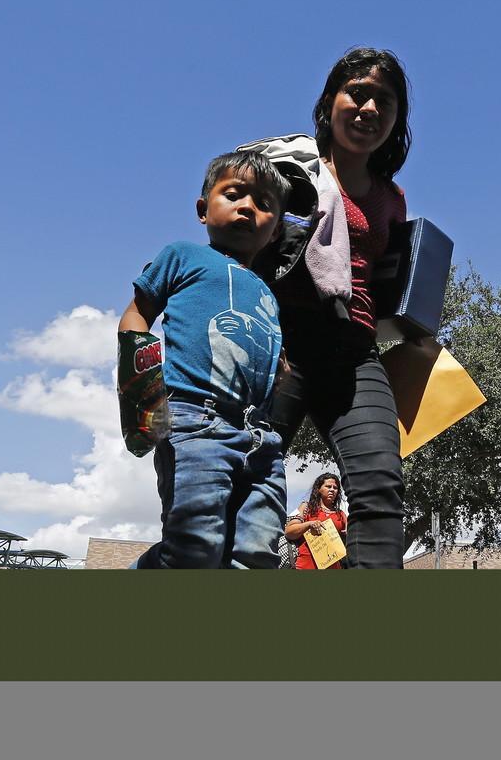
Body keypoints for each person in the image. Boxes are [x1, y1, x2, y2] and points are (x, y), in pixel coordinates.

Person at [248, 48, 412, 569]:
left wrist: (418, 326)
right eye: (356, 93)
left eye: (383, 101)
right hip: (283, 340)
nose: (368, 108)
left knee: (381, 484)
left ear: (397, 118)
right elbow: (239, 239)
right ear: (330, 102)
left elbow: (386, 288)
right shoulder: (291, 170)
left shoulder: (391, 198)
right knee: (248, 476)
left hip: (355, 351)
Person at [118, 151, 291, 568]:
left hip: (261, 437)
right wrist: (143, 392)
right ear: (202, 209)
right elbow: (137, 313)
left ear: (275, 232)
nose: (248, 207)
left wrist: (279, 368)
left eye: (265, 204)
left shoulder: (268, 292)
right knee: (194, 548)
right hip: (195, 422)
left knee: (257, 553)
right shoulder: (182, 256)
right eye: (234, 194)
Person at [286, 473, 348, 570]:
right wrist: (309, 524)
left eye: (335, 488)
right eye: (328, 486)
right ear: (318, 489)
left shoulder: (341, 515)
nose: (332, 489)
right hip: (304, 566)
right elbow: (289, 532)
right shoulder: (305, 507)